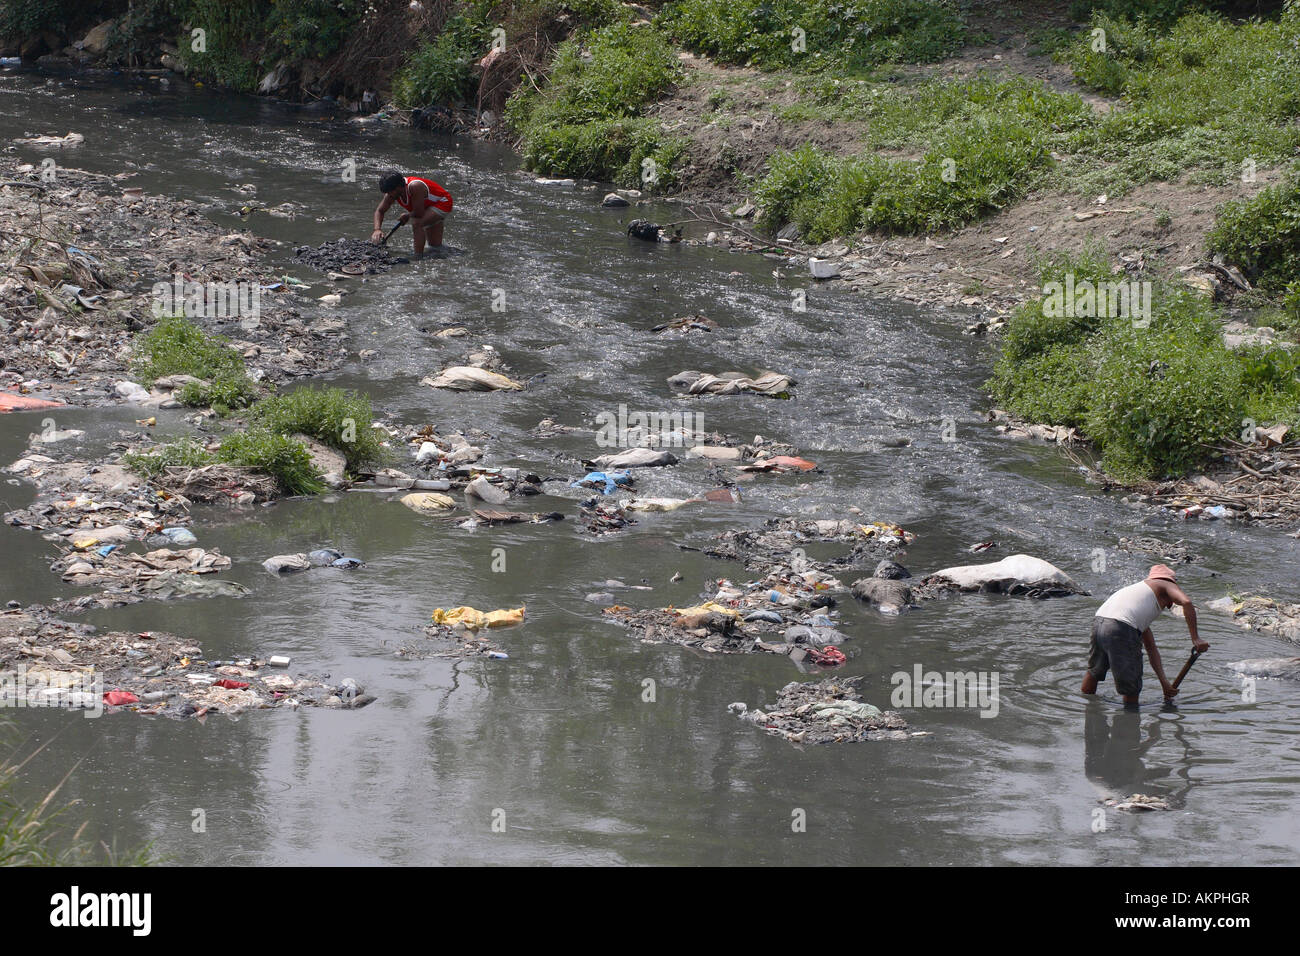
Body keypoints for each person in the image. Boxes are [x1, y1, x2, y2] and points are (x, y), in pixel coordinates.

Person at [1082, 564, 1209, 705]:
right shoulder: (1165, 583)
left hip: (1099, 622)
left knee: (1094, 672)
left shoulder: (1138, 600)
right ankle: (1130, 721)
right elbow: (1186, 602)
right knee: (1132, 689)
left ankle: (1086, 707)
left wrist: (1165, 684)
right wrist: (1196, 638)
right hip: (1120, 627)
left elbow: (1151, 649)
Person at [372, 171, 453, 257]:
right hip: (427, 206)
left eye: (391, 191)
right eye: (388, 192)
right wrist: (377, 229)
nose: (389, 195)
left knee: (417, 223)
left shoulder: (414, 186)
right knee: (435, 248)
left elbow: (419, 213)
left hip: (443, 202)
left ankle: (418, 257)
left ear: (399, 186)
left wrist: (408, 215)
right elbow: (380, 211)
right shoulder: (392, 193)